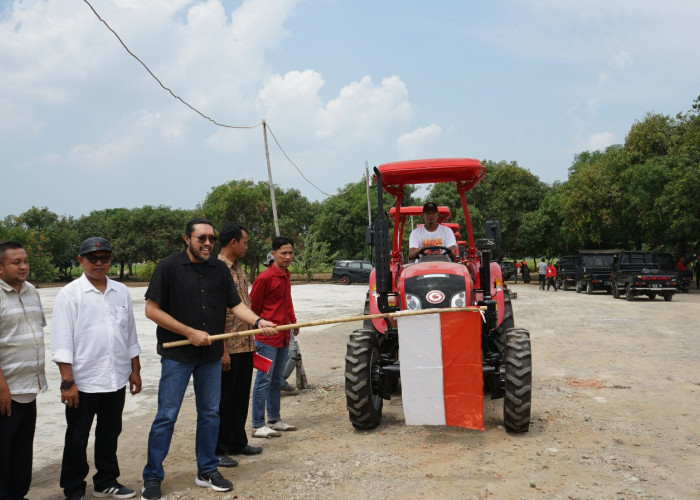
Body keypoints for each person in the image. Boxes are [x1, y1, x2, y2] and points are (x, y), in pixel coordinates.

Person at [141, 218, 275, 500]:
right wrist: (189, 332)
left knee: (210, 413)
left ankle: (207, 469)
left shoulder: (218, 270)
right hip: (178, 355)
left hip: (210, 355)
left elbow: (236, 304)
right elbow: (151, 310)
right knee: (166, 416)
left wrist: (259, 321)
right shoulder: (168, 267)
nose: (207, 243)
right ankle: (152, 477)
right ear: (186, 239)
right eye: (201, 238)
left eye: (211, 239)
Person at [51, 237, 141, 500]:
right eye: (93, 258)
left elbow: (130, 335)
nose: (99, 263)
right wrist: (68, 383)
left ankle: (106, 480)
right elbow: (61, 341)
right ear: (81, 260)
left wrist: (134, 370)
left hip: (116, 378)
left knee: (110, 432)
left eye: (105, 258)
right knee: (78, 436)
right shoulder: (69, 295)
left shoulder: (121, 291)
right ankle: (74, 488)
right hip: (84, 381)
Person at [0, 241, 48, 500]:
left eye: (25, 261)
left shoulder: (31, 291)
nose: (23, 266)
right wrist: (2, 389)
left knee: (21, 449)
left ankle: (18, 495)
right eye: (15, 262)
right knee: (3, 451)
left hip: (29, 387)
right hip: (5, 391)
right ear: (0, 267)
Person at [215, 223, 262, 467]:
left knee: (240, 397)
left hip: (245, 344)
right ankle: (219, 448)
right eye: (244, 242)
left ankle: (237, 441)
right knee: (223, 400)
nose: (246, 246)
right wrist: (222, 350)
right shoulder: (216, 269)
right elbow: (216, 314)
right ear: (233, 242)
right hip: (227, 348)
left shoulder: (240, 268)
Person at [250, 236, 299, 438]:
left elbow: (287, 301)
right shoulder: (264, 278)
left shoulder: (286, 275)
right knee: (263, 380)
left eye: (290, 253)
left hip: (284, 336)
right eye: (283, 253)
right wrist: (260, 327)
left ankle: (275, 419)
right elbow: (253, 309)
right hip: (266, 339)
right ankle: (257, 424)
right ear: (273, 254)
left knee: (277, 380)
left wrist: (293, 321)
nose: (288, 257)